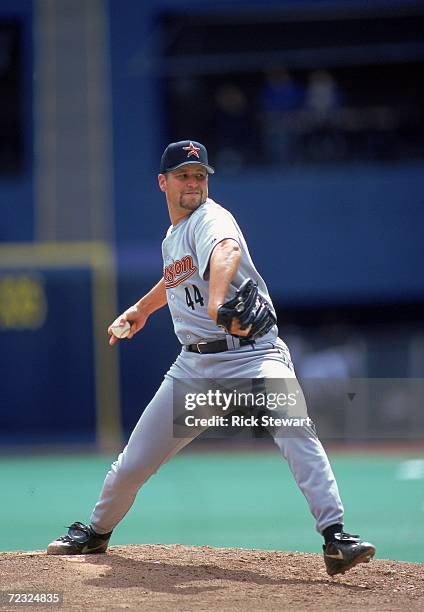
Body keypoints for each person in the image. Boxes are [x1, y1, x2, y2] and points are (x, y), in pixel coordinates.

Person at [47, 140, 375, 576]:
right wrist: (141, 310)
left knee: (295, 429)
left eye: (200, 175)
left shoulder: (212, 218)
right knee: (133, 463)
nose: (193, 183)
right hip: (196, 368)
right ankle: (97, 532)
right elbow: (175, 278)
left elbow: (226, 251)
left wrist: (218, 303)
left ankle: (336, 536)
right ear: (162, 182)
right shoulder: (174, 235)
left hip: (253, 356)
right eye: (184, 175)